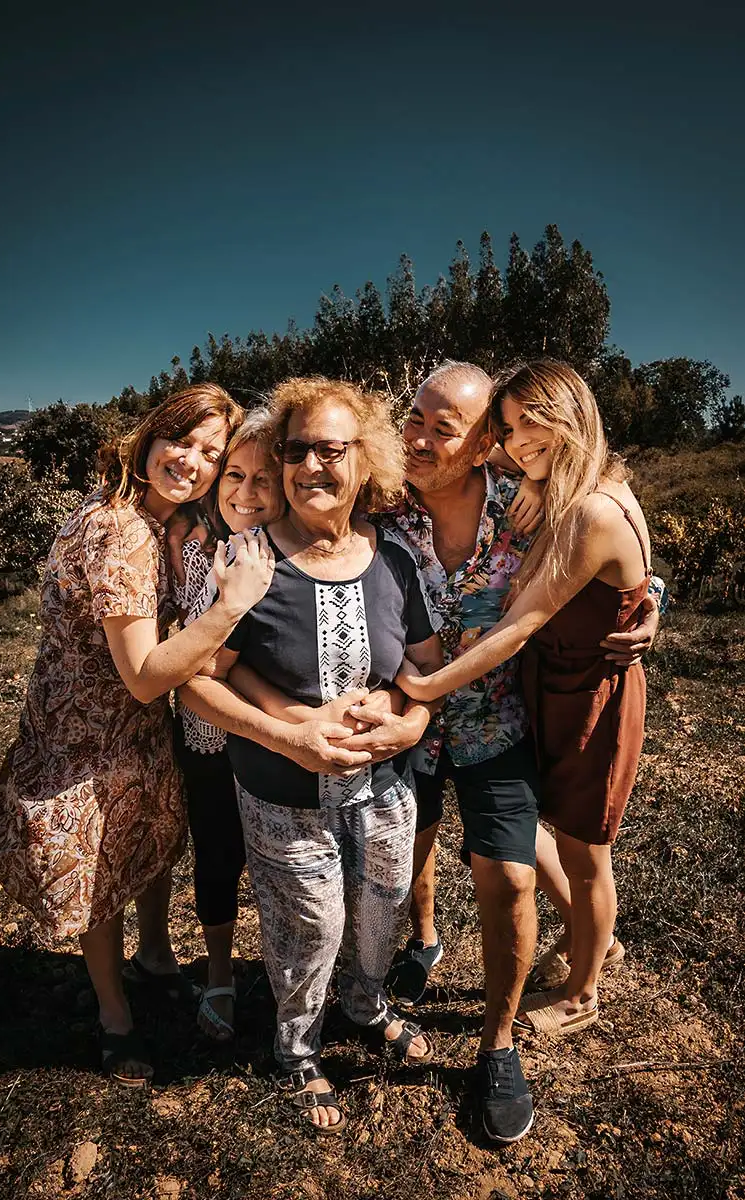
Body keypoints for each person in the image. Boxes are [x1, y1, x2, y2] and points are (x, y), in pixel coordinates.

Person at [369, 359, 659, 1144]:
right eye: (415, 419)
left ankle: (496, 1046)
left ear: (479, 445)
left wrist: (649, 596)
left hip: (499, 720)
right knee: (415, 850)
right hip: (408, 727)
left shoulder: (524, 503)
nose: (420, 438)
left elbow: (608, 546)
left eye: (444, 428)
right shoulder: (380, 505)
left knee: (506, 878)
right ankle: (424, 943)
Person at [0, 385, 276, 1088]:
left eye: (212, 454)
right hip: (89, 732)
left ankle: (154, 958)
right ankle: (115, 1020)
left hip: (127, 729)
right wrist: (233, 604)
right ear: (150, 437)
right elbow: (146, 674)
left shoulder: (151, 519)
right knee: (99, 874)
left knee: (145, 841)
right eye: (184, 442)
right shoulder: (120, 531)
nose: (194, 462)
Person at [179, 377, 444, 1136]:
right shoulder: (251, 561)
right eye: (297, 450)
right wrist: (286, 736)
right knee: (309, 927)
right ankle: (296, 1047)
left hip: (385, 791)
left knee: (378, 910)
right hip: (280, 798)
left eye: (332, 449)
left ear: (367, 462)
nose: (311, 466)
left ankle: (365, 1004)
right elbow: (196, 686)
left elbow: (423, 671)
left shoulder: (394, 560)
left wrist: (410, 721)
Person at [171, 407, 286, 1042]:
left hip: (279, 746)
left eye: (262, 478)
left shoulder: (306, 551)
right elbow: (199, 667)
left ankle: (289, 965)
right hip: (213, 740)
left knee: (285, 864)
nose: (245, 493)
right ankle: (219, 971)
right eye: (233, 475)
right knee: (218, 854)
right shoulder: (201, 555)